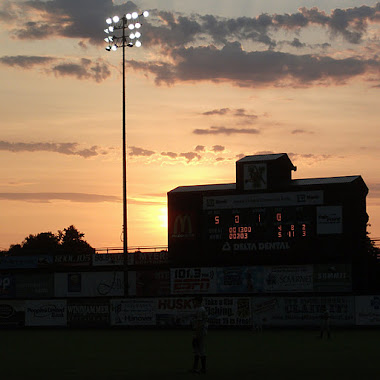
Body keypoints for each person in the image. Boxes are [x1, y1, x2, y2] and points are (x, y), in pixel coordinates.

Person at [190, 295, 208, 374]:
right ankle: (195, 368)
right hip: (198, 331)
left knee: (200, 349)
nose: (193, 302)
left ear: (198, 301)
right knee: (196, 349)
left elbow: (199, 323)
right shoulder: (198, 309)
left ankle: (203, 369)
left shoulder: (200, 310)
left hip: (200, 332)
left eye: (194, 301)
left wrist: (196, 334)